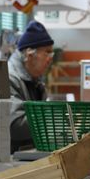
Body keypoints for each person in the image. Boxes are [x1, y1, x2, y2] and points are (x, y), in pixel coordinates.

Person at [8, 20, 54, 152]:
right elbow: (15, 126)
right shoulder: (9, 78)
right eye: (47, 52)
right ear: (30, 54)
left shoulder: (35, 80)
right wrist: (54, 116)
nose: (50, 58)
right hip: (13, 161)